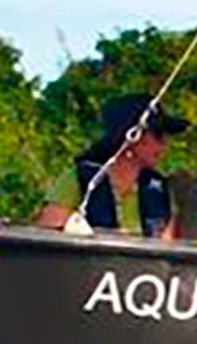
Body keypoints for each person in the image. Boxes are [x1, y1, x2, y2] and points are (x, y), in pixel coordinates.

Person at [60, 93, 188, 236]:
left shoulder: (160, 190)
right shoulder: (80, 180)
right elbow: (45, 240)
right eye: (158, 135)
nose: (165, 144)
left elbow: (167, 249)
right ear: (131, 134)